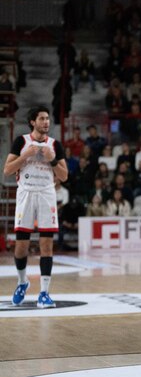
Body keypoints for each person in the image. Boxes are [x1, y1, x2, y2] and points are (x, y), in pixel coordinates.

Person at [3, 106, 68, 308]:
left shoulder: (54, 145)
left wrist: (53, 159)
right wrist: (25, 156)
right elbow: (7, 170)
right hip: (26, 194)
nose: (46, 122)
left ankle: (44, 293)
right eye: (42, 118)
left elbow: (64, 176)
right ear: (33, 122)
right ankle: (23, 282)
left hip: (47, 194)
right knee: (21, 247)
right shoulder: (21, 142)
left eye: (48, 118)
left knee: (46, 245)